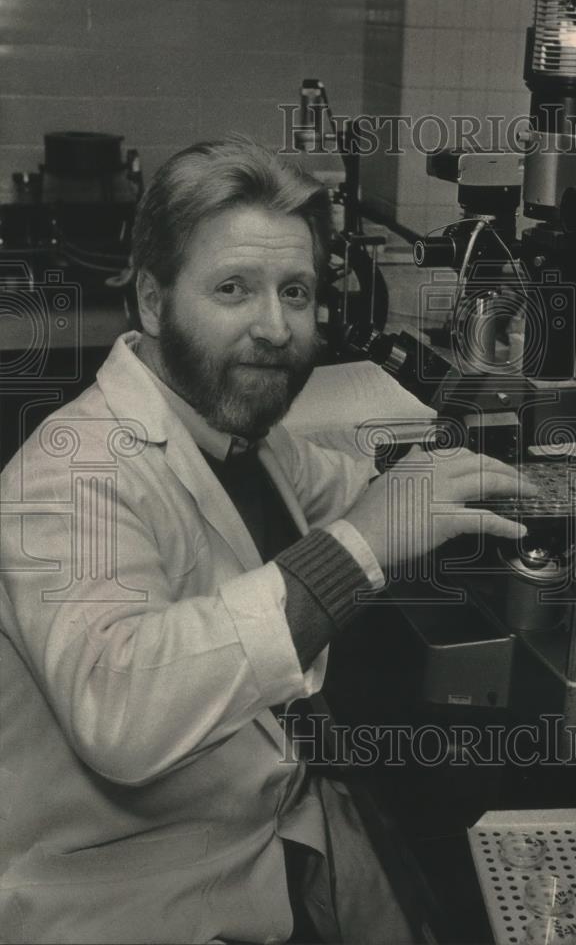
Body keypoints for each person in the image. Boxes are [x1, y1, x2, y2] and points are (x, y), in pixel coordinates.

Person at [0, 135, 530, 945]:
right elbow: (122, 710)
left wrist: (497, 463)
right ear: (151, 301)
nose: (275, 327)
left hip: (261, 829)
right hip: (127, 895)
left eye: (294, 290)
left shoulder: (240, 436)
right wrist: (357, 545)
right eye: (233, 289)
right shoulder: (68, 477)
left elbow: (351, 482)